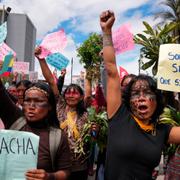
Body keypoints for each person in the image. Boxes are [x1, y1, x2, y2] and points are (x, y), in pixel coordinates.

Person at [99, 10, 180, 180]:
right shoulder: (118, 115)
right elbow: (112, 71)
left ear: (157, 101)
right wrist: (107, 32)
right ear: (128, 99)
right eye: (135, 94)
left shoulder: (163, 131)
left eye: (148, 93)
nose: (141, 97)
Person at [35, 47, 99, 180]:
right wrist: (41, 59)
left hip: (79, 166)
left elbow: (92, 138)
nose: (70, 95)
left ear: (81, 97)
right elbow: (52, 82)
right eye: (68, 93)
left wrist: (95, 131)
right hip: (58, 164)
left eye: (75, 93)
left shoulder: (86, 112)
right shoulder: (60, 106)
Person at [0, 78, 72, 180]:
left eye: (39, 101)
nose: (31, 106)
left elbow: (65, 171)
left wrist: (49, 176)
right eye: (27, 101)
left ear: (50, 106)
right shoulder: (15, 120)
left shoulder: (58, 137)